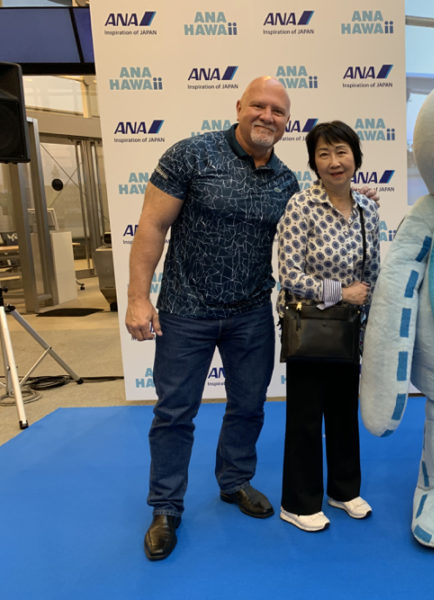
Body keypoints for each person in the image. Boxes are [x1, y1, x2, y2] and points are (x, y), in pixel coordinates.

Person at [126, 76, 299, 561]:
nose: (267, 116)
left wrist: (355, 200)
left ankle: (235, 481)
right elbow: (153, 226)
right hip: (185, 311)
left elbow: (307, 231)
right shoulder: (190, 155)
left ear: (287, 123)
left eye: (278, 111)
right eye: (259, 106)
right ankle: (165, 507)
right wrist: (139, 298)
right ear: (239, 106)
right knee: (174, 413)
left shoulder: (287, 180)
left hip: (251, 314)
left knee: (249, 406)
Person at [276, 121, 380, 532]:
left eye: (341, 152)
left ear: (355, 157)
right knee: (305, 416)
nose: (334, 162)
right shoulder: (301, 205)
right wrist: (341, 292)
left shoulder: (368, 208)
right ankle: (298, 503)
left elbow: (372, 273)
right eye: (324, 154)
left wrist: (367, 318)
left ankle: (344, 490)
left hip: (349, 329)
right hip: (308, 326)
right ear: (313, 163)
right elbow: (290, 274)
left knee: (342, 412)